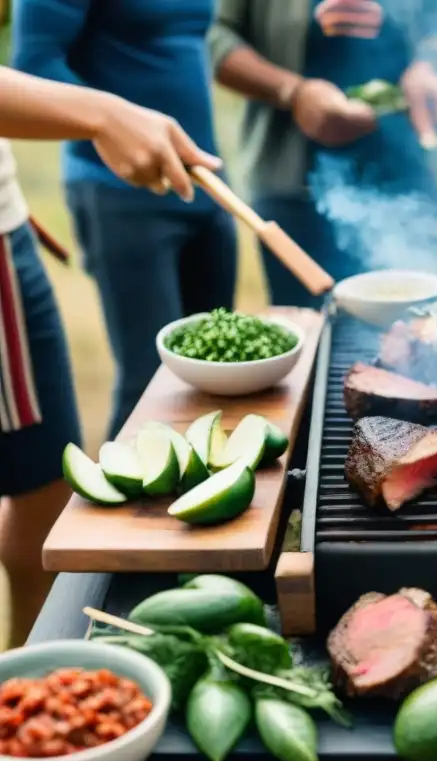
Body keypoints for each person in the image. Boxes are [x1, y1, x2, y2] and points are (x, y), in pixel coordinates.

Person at [0, 64, 222, 646]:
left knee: (45, 491)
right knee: (43, 491)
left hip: (9, 221)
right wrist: (103, 113)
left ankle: (31, 680)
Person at [12, 0, 238, 439]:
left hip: (205, 185)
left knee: (217, 372)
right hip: (118, 193)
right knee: (151, 387)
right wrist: (111, 122)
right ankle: (131, 508)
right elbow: (34, 65)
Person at [209, 0, 437, 307]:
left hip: (408, 175)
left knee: (422, 323)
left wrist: (429, 66)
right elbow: (212, 34)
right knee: (313, 332)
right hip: (292, 185)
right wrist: (293, 92)